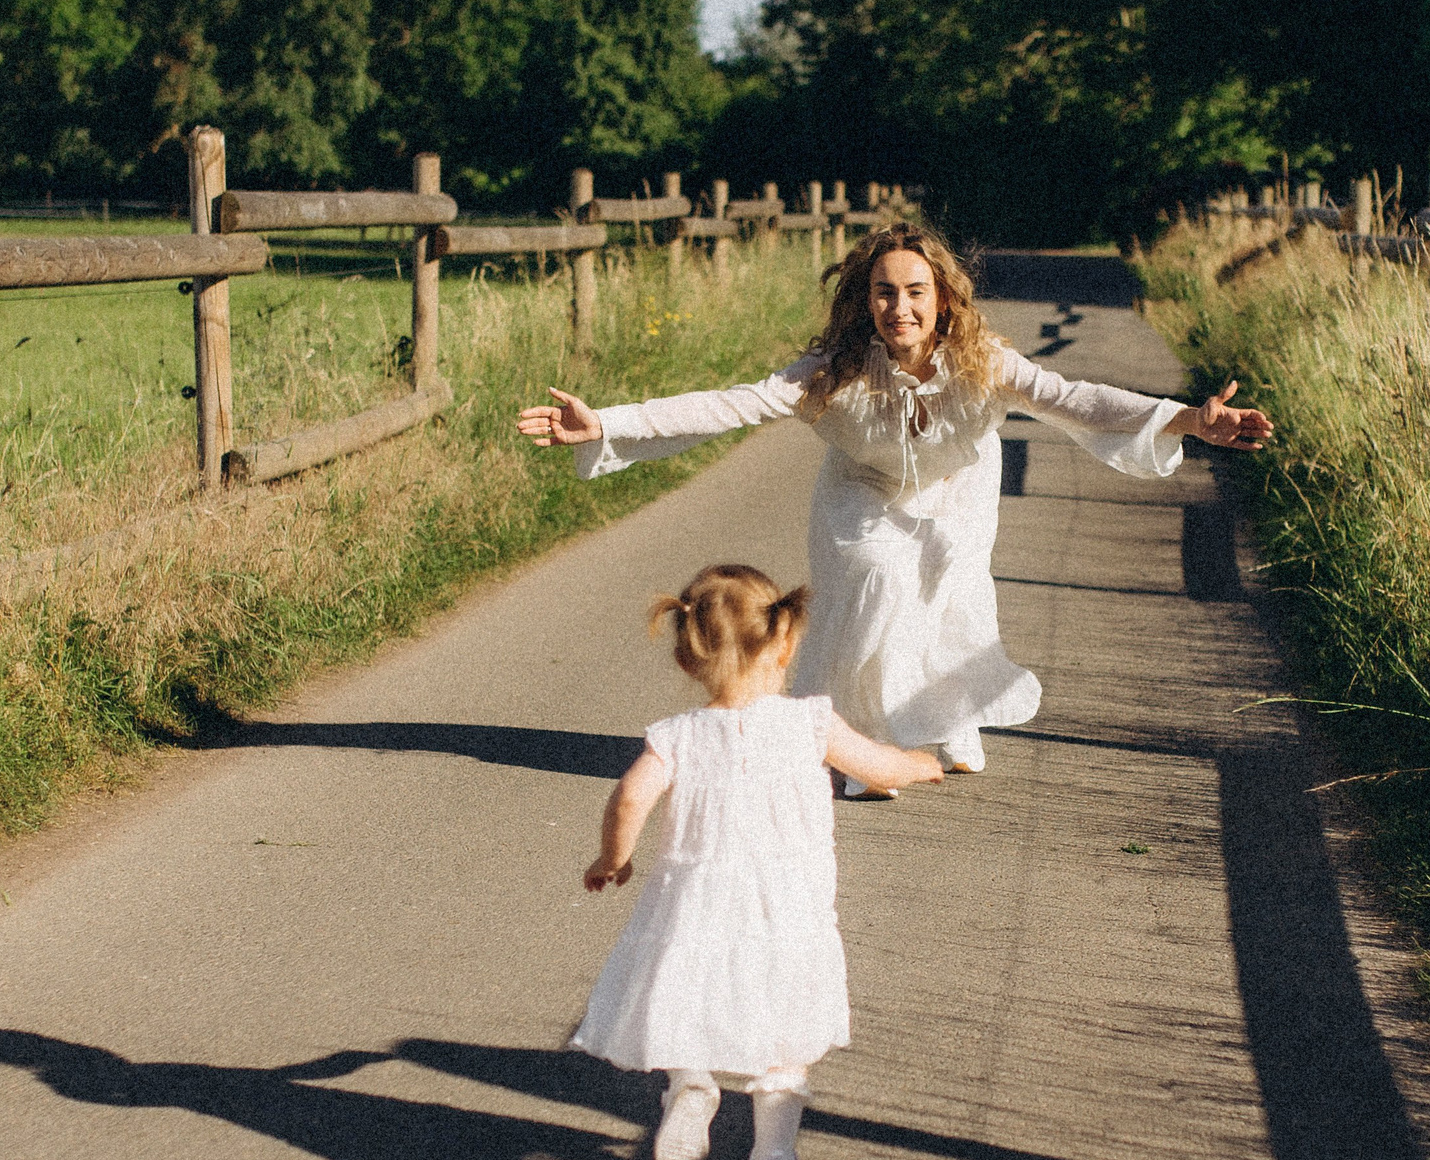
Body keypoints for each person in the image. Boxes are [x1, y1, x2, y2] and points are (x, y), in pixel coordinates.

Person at [518, 223, 1272, 793]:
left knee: (949, 587)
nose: (899, 306)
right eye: (884, 291)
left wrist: (1188, 419)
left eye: (915, 291)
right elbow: (727, 405)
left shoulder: (986, 361)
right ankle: (863, 743)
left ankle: (950, 715)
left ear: (941, 297)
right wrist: (609, 422)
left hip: (959, 481)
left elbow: (1075, 399)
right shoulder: (830, 373)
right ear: (864, 299)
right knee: (879, 581)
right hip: (862, 487)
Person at [572, 563, 941, 1160]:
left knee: (692, 999)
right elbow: (878, 765)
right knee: (785, 1033)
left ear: (689, 658)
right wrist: (914, 764)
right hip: (788, 909)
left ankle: (690, 1082)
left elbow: (631, 796)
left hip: (696, 905)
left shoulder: (677, 735)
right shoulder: (810, 723)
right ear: (783, 643)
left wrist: (614, 858)